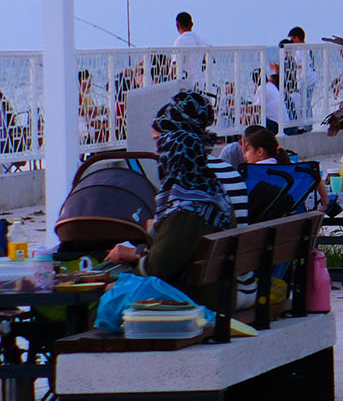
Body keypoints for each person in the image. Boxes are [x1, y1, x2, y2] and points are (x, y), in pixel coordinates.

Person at [98, 91, 238, 317]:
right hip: (214, 296)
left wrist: (129, 259)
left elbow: (155, 269)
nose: (158, 154)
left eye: (159, 144)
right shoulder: (212, 191)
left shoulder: (187, 208)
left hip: (191, 307)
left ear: (172, 151)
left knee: (106, 296)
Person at [258, 62, 288, 133]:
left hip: (277, 126)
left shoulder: (262, 88)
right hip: (286, 124)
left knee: (255, 120)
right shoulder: (272, 86)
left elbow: (256, 108)